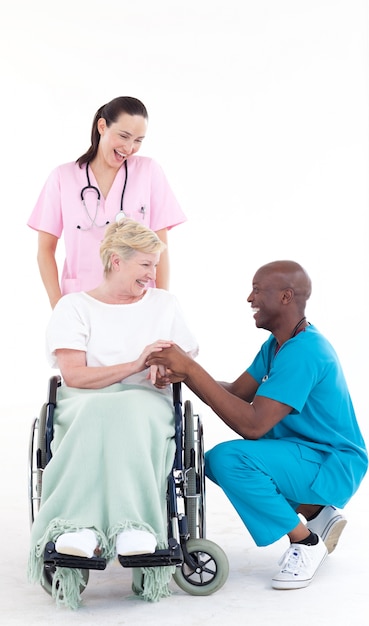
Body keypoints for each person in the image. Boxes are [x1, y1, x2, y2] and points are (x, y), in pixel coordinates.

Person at [146, 260, 368, 590]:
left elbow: (253, 426)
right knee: (227, 463)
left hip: (329, 462)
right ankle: (317, 512)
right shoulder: (277, 346)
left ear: (286, 297)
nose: (250, 298)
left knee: (230, 460)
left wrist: (191, 369)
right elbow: (237, 393)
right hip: (305, 454)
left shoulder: (305, 352)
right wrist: (185, 375)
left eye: (258, 290)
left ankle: (305, 543)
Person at [28, 218, 198, 609]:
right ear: (116, 261)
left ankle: (133, 527)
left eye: (155, 265)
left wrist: (165, 369)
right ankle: (79, 527)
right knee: (101, 412)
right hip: (84, 400)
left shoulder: (164, 305)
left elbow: (185, 360)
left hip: (146, 405)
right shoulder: (74, 307)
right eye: (145, 265)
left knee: (130, 411)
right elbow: (75, 375)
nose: (153, 275)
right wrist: (136, 363)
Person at [27, 96, 186, 308]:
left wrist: (161, 304)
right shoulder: (62, 178)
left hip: (138, 303)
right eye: (124, 136)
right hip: (80, 302)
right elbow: (45, 250)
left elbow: (161, 247)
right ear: (102, 126)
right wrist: (58, 307)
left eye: (138, 140)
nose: (129, 148)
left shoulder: (149, 172)